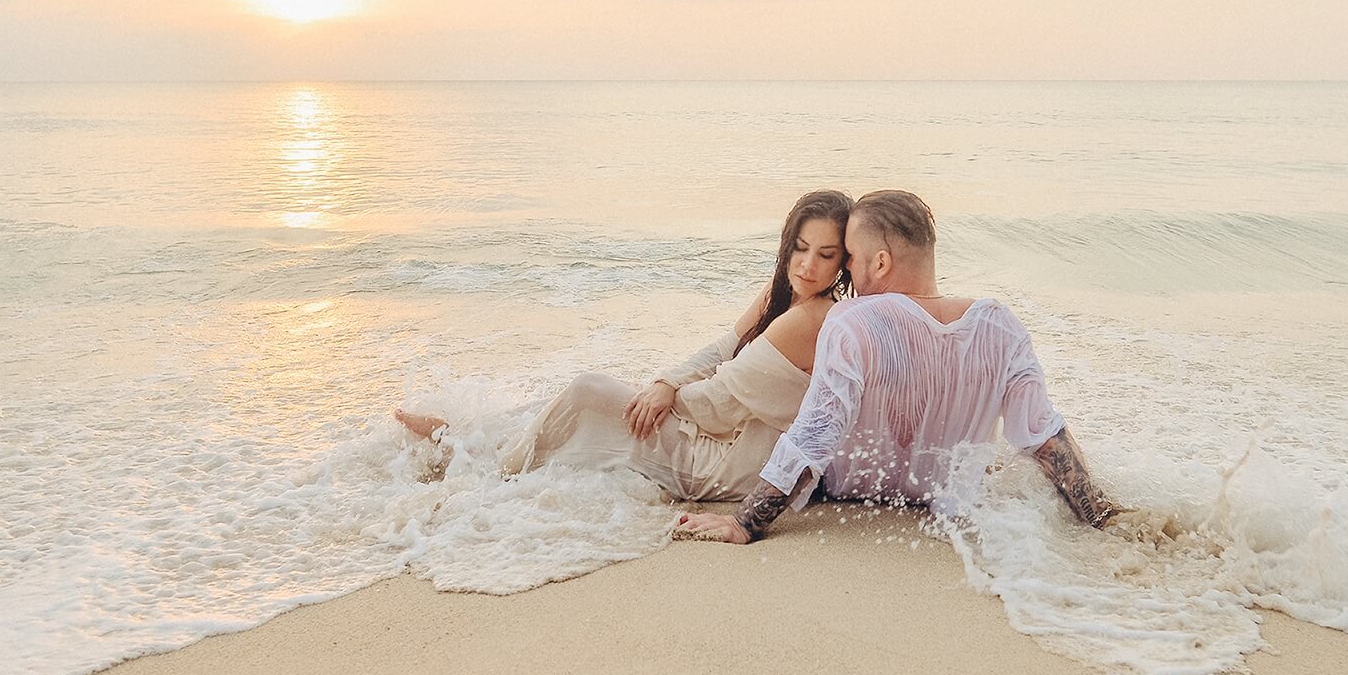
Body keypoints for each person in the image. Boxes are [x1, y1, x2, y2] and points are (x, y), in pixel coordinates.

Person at [675, 189, 1119, 543]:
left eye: (849, 255)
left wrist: (745, 523)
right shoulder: (997, 322)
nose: (846, 268)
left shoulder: (852, 320)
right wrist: (1100, 515)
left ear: (881, 261)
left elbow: (813, 436)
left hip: (851, 498)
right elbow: (1045, 438)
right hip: (945, 503)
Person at [394, 189, 854, 501]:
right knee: (575, 406)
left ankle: (487, 470)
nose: (808, 264)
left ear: (844, 263)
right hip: (722, 436)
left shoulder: (811, 318)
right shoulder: (786, 294)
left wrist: (659, 395)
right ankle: (476, 445)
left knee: (588, 392)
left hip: (731, 464)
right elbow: (719, 352)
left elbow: (716, 407)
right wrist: (663, 382)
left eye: (826, 255)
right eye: (800, 246)